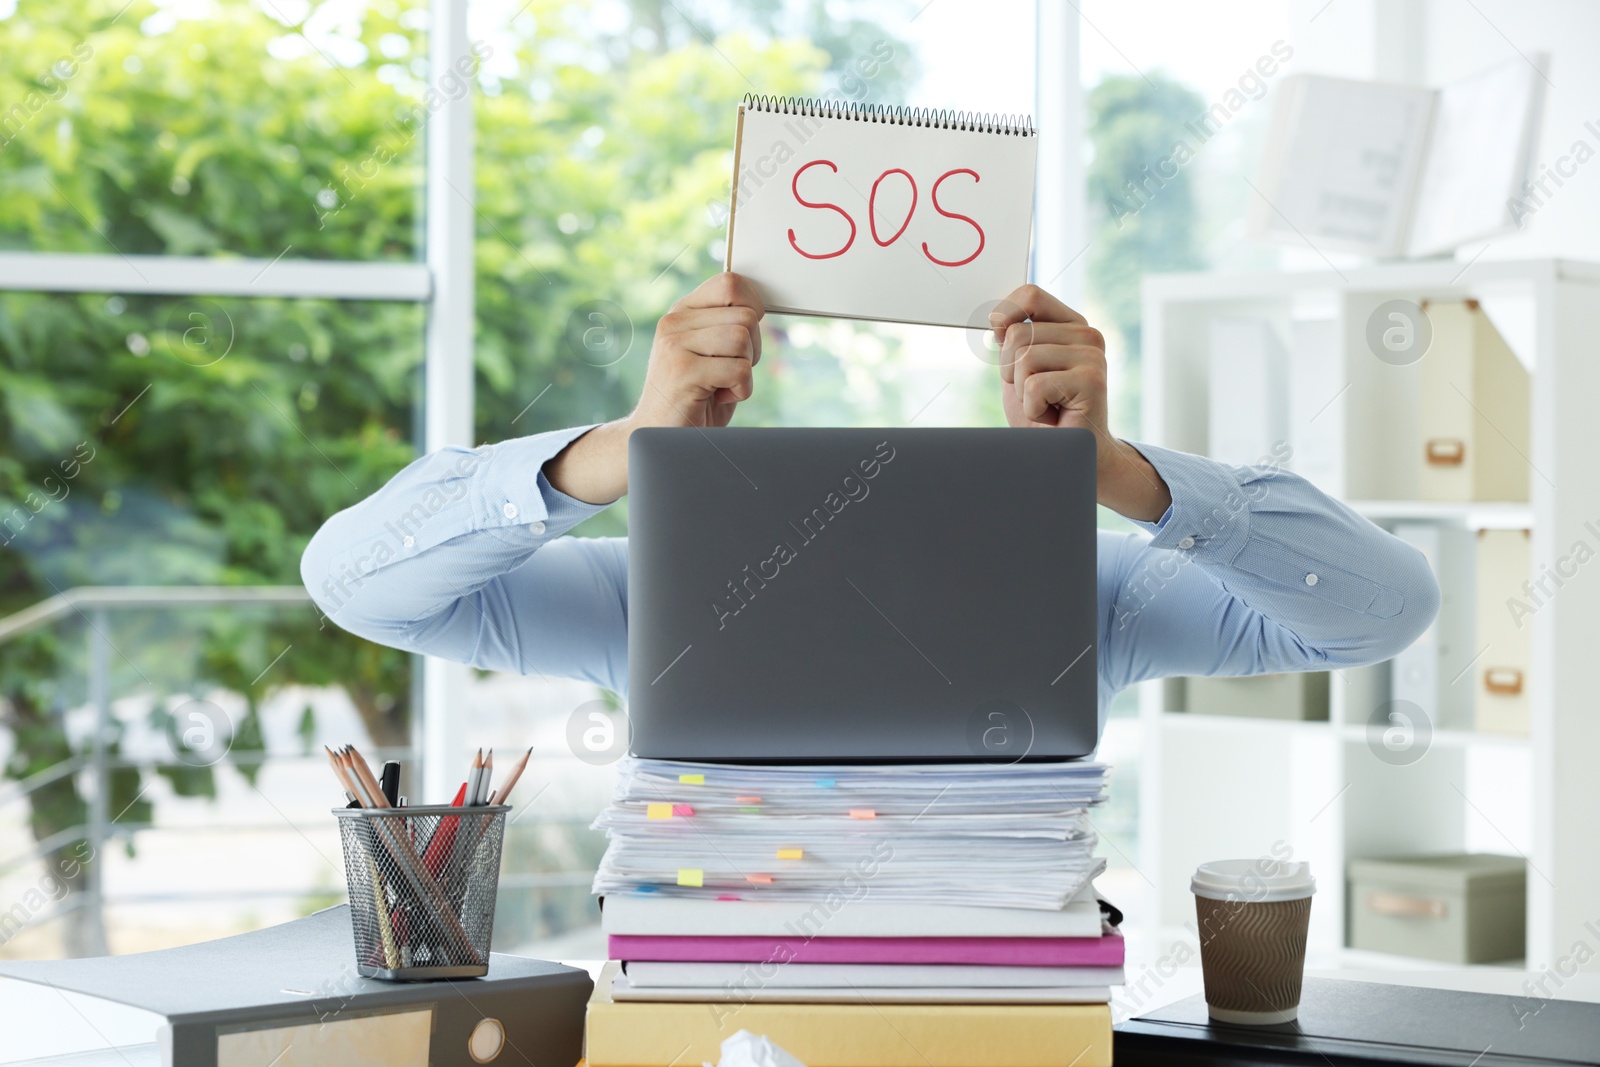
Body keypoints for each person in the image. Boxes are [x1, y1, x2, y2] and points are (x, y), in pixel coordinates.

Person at [301, 273, 1438, 729]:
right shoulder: (641, 599)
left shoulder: (1094, 601)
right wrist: (628, 447)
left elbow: (1382, 609)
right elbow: (354, 583)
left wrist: (1107, 472)